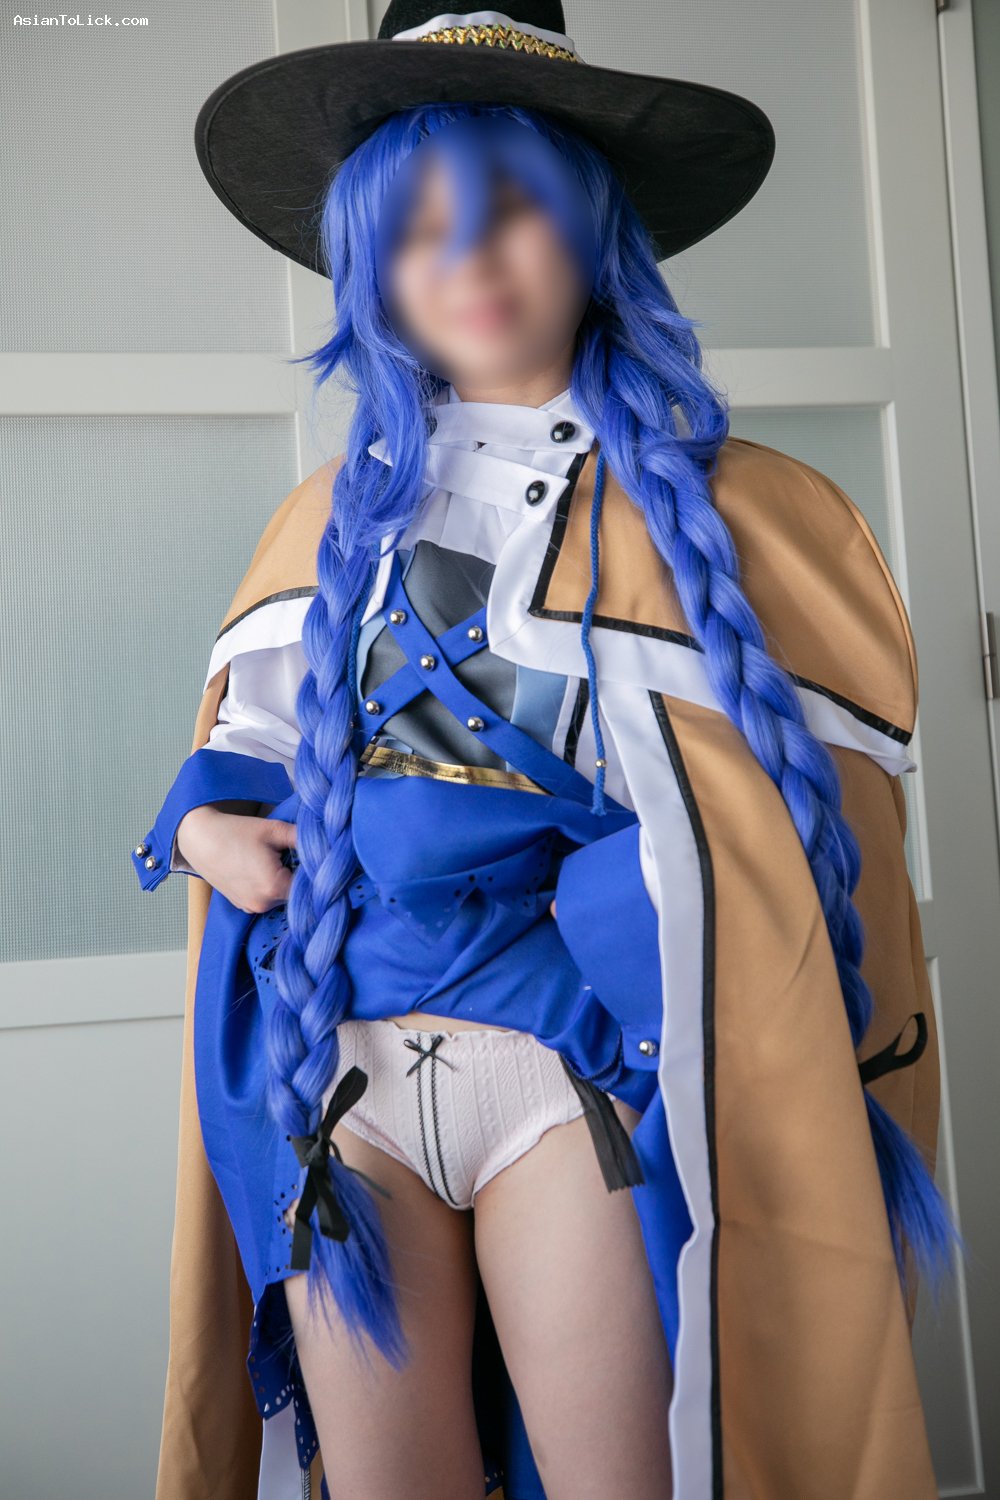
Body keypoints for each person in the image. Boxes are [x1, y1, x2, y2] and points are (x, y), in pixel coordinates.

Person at [133, 6, 962, 1498]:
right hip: (345, 1076)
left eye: (508, 209)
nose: (467, 261)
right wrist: (200, 826)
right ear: (370, 266)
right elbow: (251, 738)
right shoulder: (328, 515)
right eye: (417, 230)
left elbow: (799, 846)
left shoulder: (750, 517)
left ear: (593, 226)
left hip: (573, 1079)